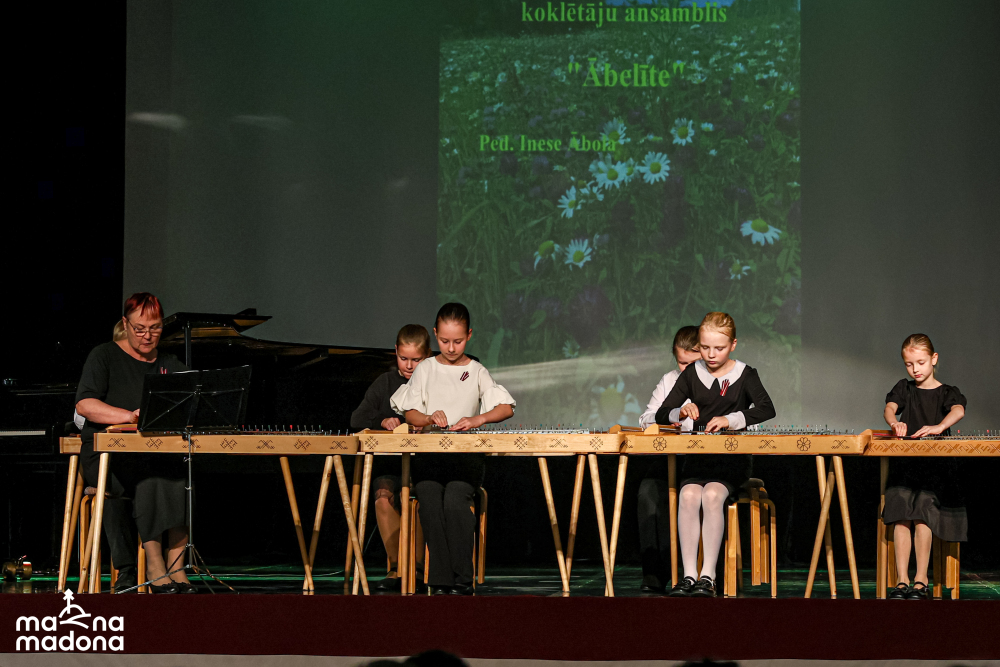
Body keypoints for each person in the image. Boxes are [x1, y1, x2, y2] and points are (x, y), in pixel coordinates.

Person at [390, 303, 515, 595]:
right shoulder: (426, 368)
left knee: (456, 501)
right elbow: (410, 412)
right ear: (435, 334)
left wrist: (478, 419)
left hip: (464, 459)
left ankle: (462, 579)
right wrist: (429, 418)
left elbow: (506, 407)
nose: (450, 347)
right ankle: (440, 579)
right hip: (430, 458)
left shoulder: (476, 370)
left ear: (468, 335)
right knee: (430, 499)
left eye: (457, 341)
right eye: (444, 340)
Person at [75, 292, 194, 594]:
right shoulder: (104, 355)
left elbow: (192, 401)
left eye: (154, 328)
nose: (147, 336)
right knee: (147, 473)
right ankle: (154, 563)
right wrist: (129, 416)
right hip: (107, 456)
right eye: (140, 329)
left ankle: (177, 565)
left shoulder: (169, 364)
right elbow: (85, 404)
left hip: (154, 454)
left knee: (180, 472)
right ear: (125, 324)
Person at [654, 312, 775, 597]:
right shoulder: (691, 374)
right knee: (688, 495)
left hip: (731, 461)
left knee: (711, 495)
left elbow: (766, 408)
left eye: (719, 348)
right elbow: (661, 413)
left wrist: (731, 419)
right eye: (705, 347)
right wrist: (680, 411)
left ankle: (708, 576)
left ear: (733, 345)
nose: (711, 354)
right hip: (698, 459)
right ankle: (688, 576)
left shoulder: (745, 374)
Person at [882, 333, 967, 600]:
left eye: (920, 362)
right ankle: (902, 580)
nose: (915, 369)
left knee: (922, 511)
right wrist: (894, 423)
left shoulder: (946, 392)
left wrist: (940, 426)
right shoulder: (904, 388)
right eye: (909, 364)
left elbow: (958, 410)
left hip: (935, 471)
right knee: (900, 511)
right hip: (905, 469)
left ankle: (921, 579)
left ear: (934, 359)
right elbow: (889, 408)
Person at [350, 324, 431, 591]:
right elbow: (357, 418)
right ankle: (397, 567)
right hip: (393, 465)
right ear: (395, 352)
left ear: (428, 356)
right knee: (383, 496)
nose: (409, 366)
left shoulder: (435, 382)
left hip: (426, 465)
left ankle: (417, 569)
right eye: (403, 358)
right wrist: (382, 420)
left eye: (416, 360)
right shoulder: (385, 382)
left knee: (420, 497)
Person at [635, 325, 700, 593]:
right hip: (673, 455)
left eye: (692, 364)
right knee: (649, 491)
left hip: (705, 458)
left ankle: (694, 574)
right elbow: (645, 419)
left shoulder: (719, 382)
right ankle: (654, 573)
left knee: (692, 493)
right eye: (681, 363)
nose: (686, 370)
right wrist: (673, 415)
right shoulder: (669, 380)